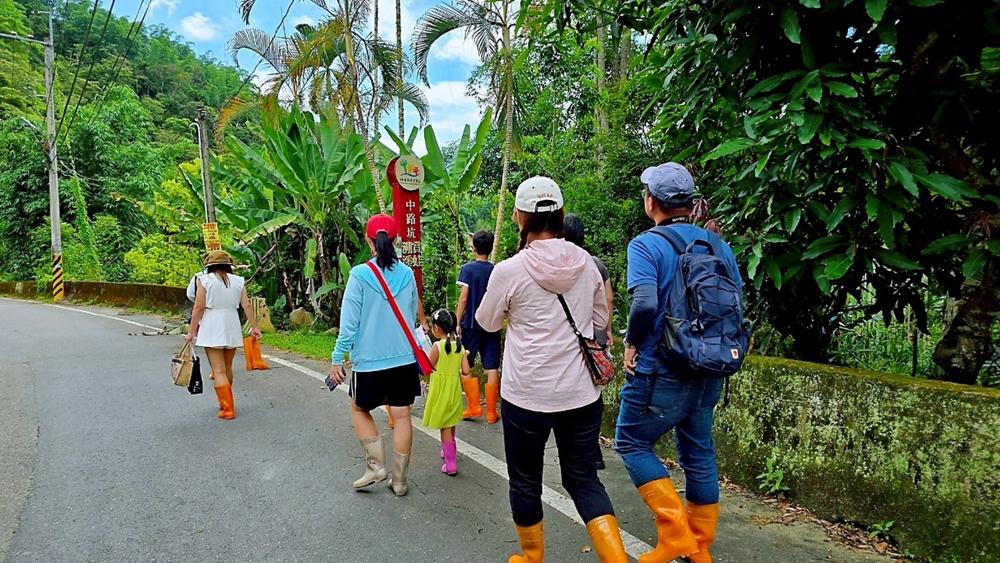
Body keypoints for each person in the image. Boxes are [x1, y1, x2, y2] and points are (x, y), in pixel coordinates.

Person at [476, 177, 628, 563]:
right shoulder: (588, 265)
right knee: (584, 481)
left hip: (526, 396)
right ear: (561, 215)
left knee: (525, 482)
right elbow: (600, 321)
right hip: (581, 395)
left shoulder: (509, 270)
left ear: (518, 216)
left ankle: (532, 558)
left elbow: (487, 322)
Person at [615, 162, 741, 563]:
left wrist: (632, 343)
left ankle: (675, 536)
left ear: (651, 202)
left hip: (662, 367)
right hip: (710, 367)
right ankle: (700, 547)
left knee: (631, 441)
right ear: (689, 202)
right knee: (699, 451)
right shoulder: (718, 245)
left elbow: (645, 302)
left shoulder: (646, 245)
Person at [329, 213, 422, 497]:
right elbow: (410, 315)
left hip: (369, 361)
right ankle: (400, 481)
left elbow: (349, 323)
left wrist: (337, 357)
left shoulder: (359, 275)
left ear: (369, 241)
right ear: (396, 240)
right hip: (403, 358)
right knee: (402, 415)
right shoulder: (407, 274)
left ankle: (376, 466)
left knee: (359, 409)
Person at [564, 213, 614, 471]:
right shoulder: (596, 264)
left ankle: (581, 451)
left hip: (574, 339)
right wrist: (607, 328)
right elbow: (608, 299)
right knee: (594, 394)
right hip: (596, 338)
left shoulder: (561, 265)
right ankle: (593, 451)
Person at [185, 250, 262, 419]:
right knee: (227, 368)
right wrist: (254, 327)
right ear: (228, 265)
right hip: (231, 322)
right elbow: (246, 305)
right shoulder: (238, 281)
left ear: (209, 265)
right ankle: (226, 402)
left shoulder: (204, 280)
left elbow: (198, 307)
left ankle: (227, 408)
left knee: (218, 370)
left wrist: (191, 331)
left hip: (212, 323)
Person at [455, 229, 502, 423]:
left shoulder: (467, 269)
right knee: (491, 367)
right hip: (491, 324)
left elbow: (464, 298)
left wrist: (457, 321)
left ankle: (473, 407)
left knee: (465, 364)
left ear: (473, 247)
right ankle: (491, 412)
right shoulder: (496, 270)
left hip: (471, 324)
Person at [422, 309, 472, 476]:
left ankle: (451, 464)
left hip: (440, 391)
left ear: (436, 328)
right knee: (450, 422)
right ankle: (448, 450)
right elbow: (466, 371)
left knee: (444, 426)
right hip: (454, 390)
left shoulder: (437, 346)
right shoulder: (460, 346)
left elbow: (427, 368)